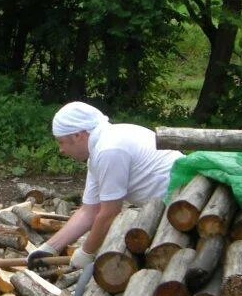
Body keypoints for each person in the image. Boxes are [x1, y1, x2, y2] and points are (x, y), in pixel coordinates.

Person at [27, 101, 183, 270]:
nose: (61, 150)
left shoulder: (109, 149)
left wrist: (87, 252)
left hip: (182, 207)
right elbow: (89, 211)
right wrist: (49, 248)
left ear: (78, 135)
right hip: (166, 207)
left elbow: (109, 213)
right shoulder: (99, 149)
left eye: (62, 142)